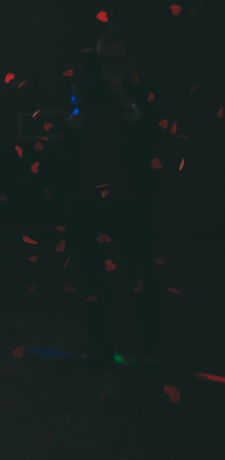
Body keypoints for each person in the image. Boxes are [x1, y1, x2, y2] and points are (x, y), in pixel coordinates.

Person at [66, 32, 162, 372]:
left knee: (141, 276)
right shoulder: (87, 94)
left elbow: (150, 136)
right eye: (102, 60)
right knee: (93, 279)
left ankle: (150, 348)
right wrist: (76, 110)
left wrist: (124, 101)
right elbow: (69, 142)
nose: (108, 67)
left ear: (129, 63)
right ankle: (98, 348)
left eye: (115, 60)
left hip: (133, 199)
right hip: (91, 200)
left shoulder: (142, 93)